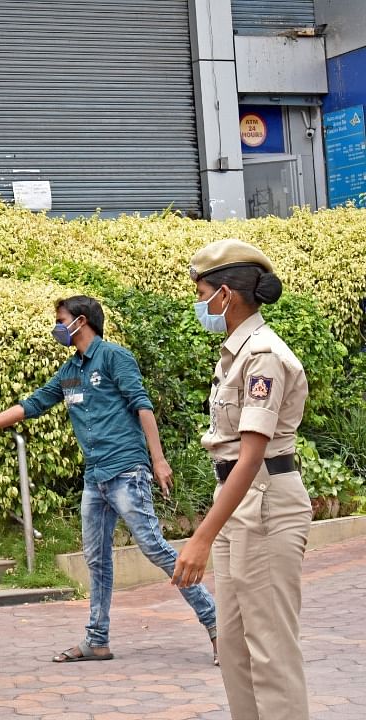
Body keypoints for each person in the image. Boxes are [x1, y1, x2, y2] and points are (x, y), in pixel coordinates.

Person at [0, 295, 218, 664]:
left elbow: (142, 405)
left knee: (153, 546)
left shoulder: (114, 357)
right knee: (96, 559)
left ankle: (217, 625)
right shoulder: (70, 371)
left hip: (127, 469)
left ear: (80, 321)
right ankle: (97, 639)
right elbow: (33, 404)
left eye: (60, 319)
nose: (57, 327)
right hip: (96, 477)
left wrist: (159, 459)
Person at [171, 239, 312, 720]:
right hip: (236, 500)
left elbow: (251, 456)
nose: (198, 303)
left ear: (225, 294)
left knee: (269, 646)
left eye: (201, 292)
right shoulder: (235, 353)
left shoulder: (263, 355)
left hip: (267, 501)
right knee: (234, 645)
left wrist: (200, 538)